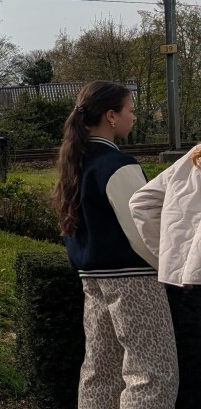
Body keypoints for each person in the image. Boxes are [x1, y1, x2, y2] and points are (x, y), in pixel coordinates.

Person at [51, 80, 178, 408]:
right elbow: (141, 231)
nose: (133, 117)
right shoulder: (117, 166)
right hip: (133, 280)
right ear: (111, 116)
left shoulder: (76, 163)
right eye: (130, 111)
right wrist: (172, 269)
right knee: (152, 374)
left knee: (100, 371)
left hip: (93, 280)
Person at [129, 143, 201, 408]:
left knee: (187, 369)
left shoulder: (194, 156)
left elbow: (140, 202)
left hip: (182, 283)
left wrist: (169, 257)